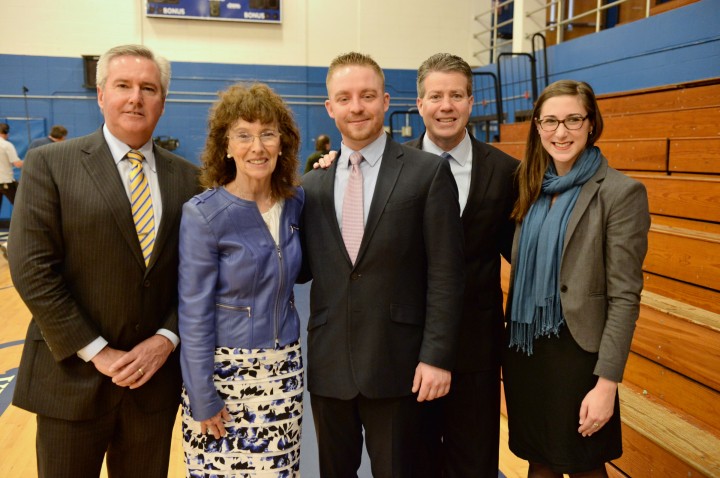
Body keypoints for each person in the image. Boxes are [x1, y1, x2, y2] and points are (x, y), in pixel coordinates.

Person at [8, 44, 200, 478]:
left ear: (163, 102)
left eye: (148, 88)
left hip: (153, 383)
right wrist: (99, 352)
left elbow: (197, 278)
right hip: (70, 377)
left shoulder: (190, 179)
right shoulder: (50, 164)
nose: (136, 98)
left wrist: (167, 338)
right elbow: (32, 269)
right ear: (100, 95)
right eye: (124, 86)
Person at [300, 51, 465, 477]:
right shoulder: (312, 184)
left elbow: (446, 275)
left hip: (400, 366)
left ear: (386, 101)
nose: (357, 107)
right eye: (345, 97)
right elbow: (301, 267)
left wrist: (437, 357)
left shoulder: (426, 174)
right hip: (330, 363)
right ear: (330, 107)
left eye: (367, 95)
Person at [503, 80, 650, 477]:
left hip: (579, 355)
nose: (560, 132)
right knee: (539, 462)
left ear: (591, 124)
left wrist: (607, 385)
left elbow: (624, 298)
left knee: (584, 466)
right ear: (537, 126)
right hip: (527, 349)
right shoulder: (528, 185)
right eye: (550, 121)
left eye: (572, 120)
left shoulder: (620, 193)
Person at [178, 82, 304, 477]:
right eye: (244, 135)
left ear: (282, 143)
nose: (257, 147)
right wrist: (202, 394)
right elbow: (193, 314)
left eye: (268, 133)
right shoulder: (204, 215)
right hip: (225, 376)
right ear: (226, 146)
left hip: (285, 371)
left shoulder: (296, 202)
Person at [405, 53, 519, 478]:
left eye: (456, 95)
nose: (446, 105)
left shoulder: (507, 172)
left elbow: (520, 253)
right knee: (414, 463)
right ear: (420, 104)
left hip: (478, 348)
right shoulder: (393, 168)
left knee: (474, 463)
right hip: (410, 349)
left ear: (472, 102)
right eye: (435, 96)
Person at [0, 122, 22, 207]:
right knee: (20, 205)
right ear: (6, 132)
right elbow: (17, 164)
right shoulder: (6, 145)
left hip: (4, 180)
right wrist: (29, 161)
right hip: (5, 180)